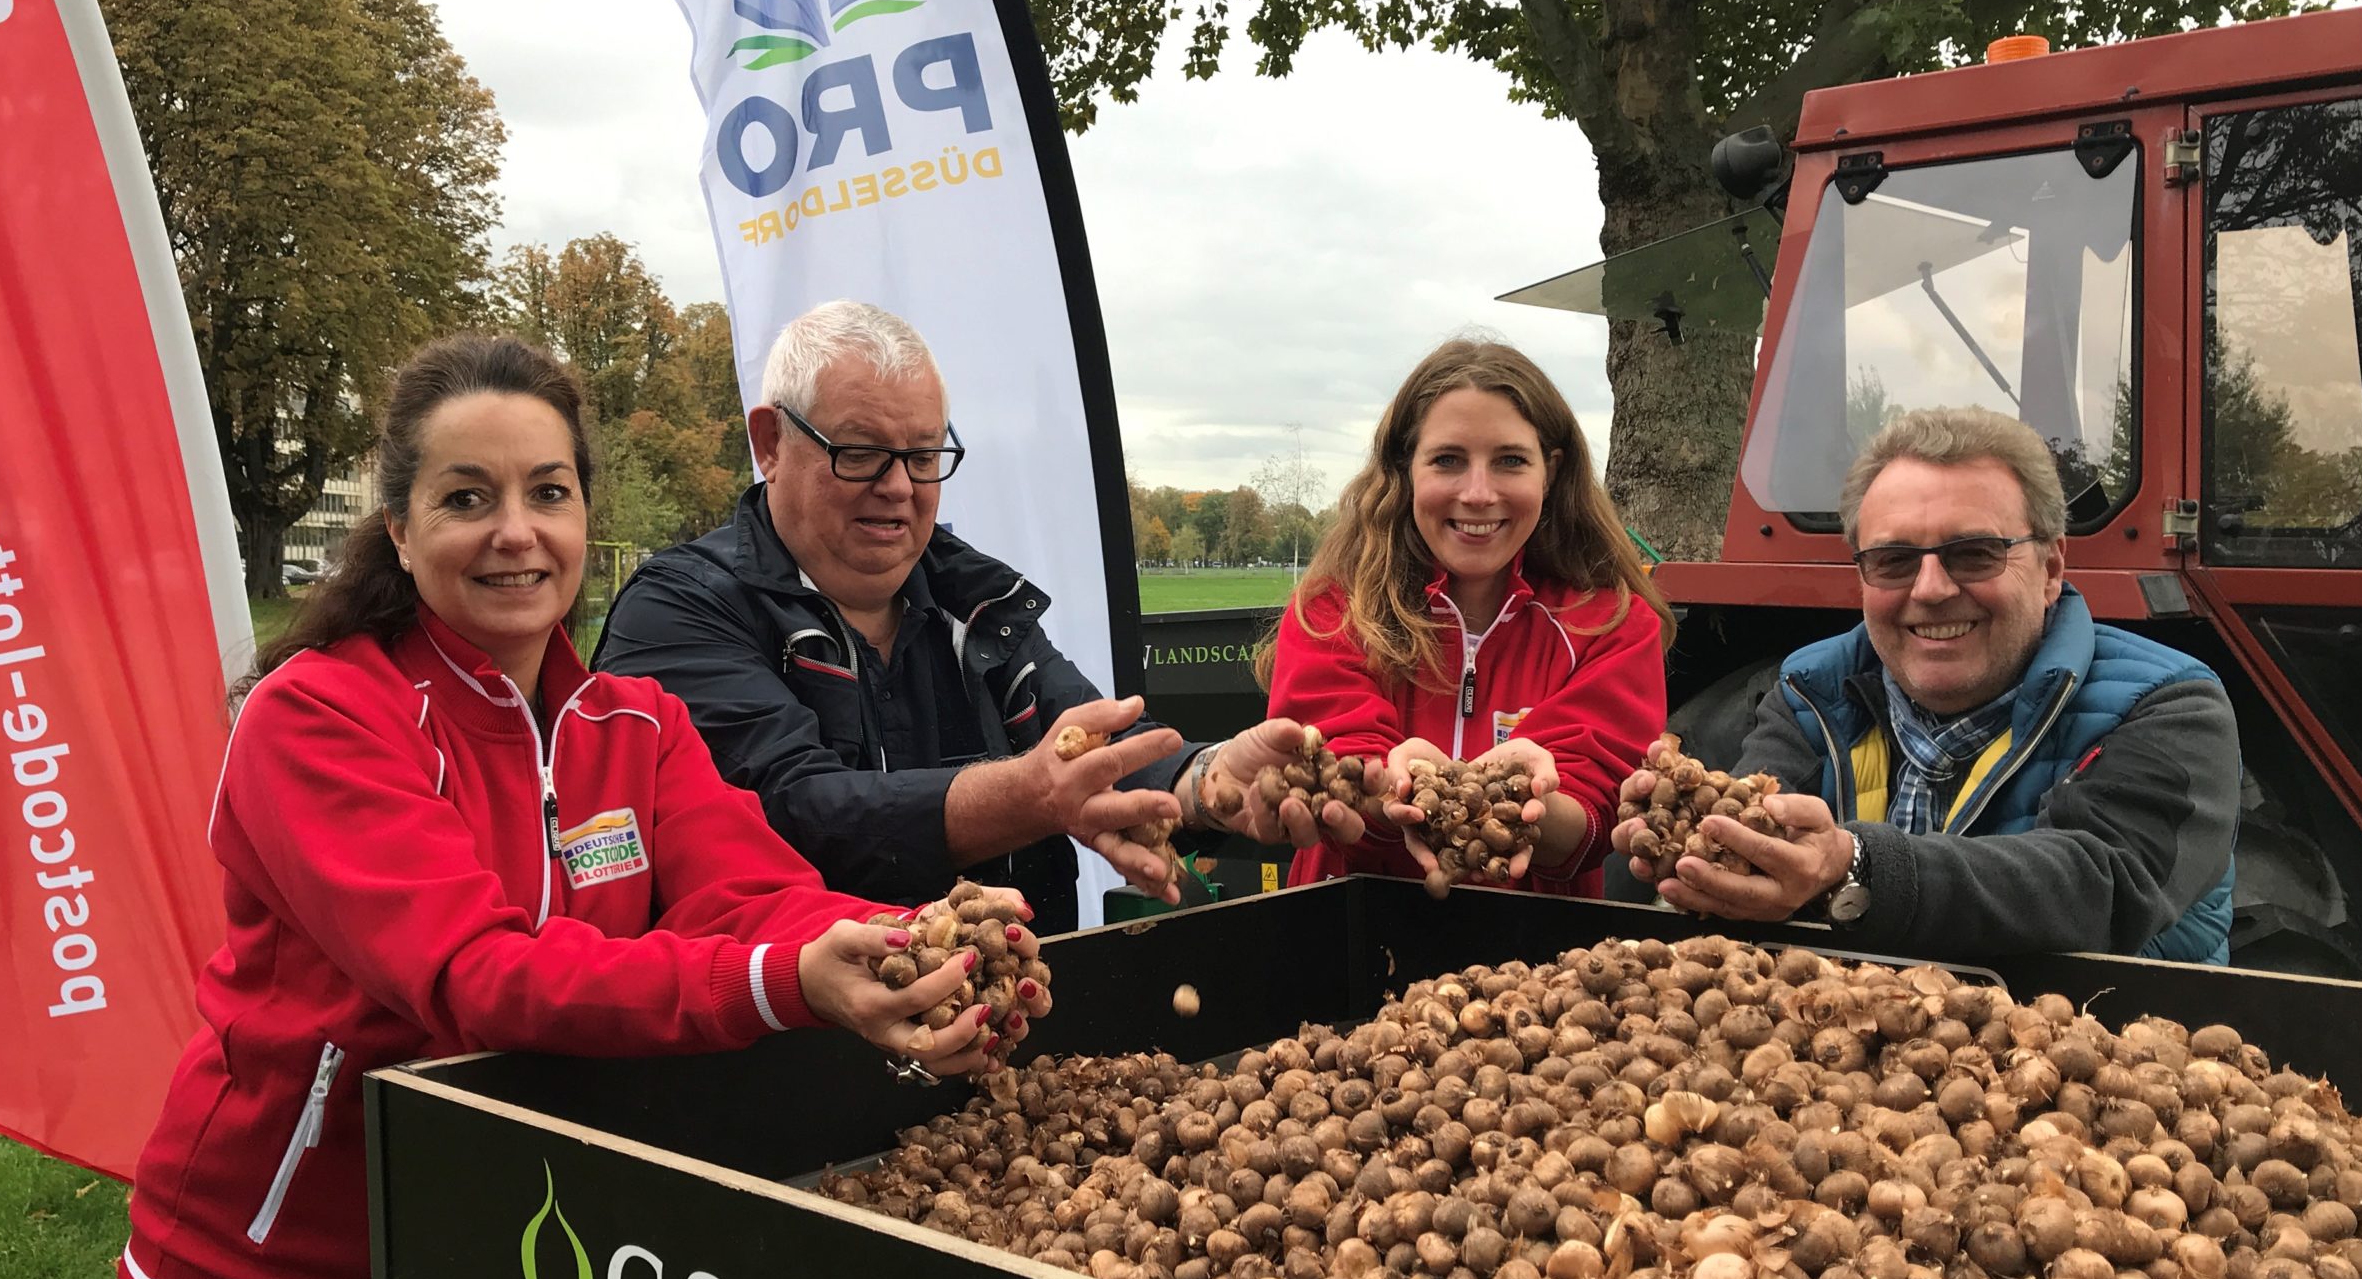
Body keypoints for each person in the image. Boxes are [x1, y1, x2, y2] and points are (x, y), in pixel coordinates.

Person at [106, 335, 1034, 1279]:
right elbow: (474, 976)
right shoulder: (317, 719)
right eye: (466, 497)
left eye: (547, 492)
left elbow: (756, 897)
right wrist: (783, 981)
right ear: (398, 522)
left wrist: (916, 940)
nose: (514, 534)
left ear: (588, 519)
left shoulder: (632, 724)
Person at [592, 301, 1355, 929]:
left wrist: (1209, 777)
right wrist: (1028, 795)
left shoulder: (973, 598)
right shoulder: (676, 611)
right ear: (769, 443)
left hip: (1014, 1036)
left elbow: (1089, 738)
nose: (899, 486)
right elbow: (792, 811)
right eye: (860, 452)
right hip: (786, 1058)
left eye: (924, 456)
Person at [1620, 405, 2239, 962]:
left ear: (2050, 569)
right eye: (1893, 560)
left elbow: (2098, 888)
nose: (1932, 589)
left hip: (2102, 1055)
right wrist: (1694, 846)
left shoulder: (2169, 706)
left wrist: (1854, 867)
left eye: (1974, 554)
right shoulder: (1807, 695)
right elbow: (1763, 839)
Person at [1260, 337, 1672, 893]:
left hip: (1541, 965)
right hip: (1347, 936)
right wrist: (1395, 790)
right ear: (1406, 470)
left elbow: (1596, 811)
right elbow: (1333, 777)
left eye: (1510, 461)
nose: (1478, 493)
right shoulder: (1332, 614)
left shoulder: (1611, 625)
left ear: (1549, 472)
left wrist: (1534, 804)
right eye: (1448, 460)